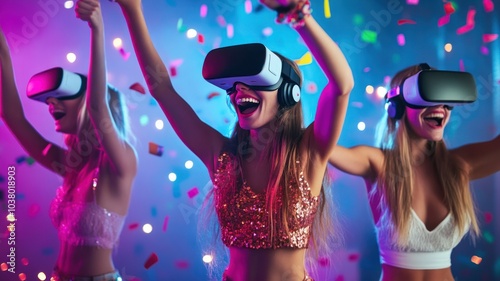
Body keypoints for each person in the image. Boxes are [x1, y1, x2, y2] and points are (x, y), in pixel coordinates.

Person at [113, 0, 353, 280]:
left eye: (255, 82)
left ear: (289, 94)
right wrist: (132, 10)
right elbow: (161, 88)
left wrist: (298, 15)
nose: (239, 91)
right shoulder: (221, 157)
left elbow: (342, 85)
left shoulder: (309, 152)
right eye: (233, 86)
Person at [0, 0, 137, 280]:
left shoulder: (121, 163)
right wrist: (2, 49)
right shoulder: (70, 165)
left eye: (62, 97)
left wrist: (96, 28)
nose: (51, 104)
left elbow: (98, 108)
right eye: (49, 100)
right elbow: (11, 115)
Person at [328, 63, 500, 281]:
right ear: (397, 107)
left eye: (444, 98)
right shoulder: (378, 163)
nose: (439, 106)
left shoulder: (459, 166)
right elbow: (321, 147)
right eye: (426, 96)